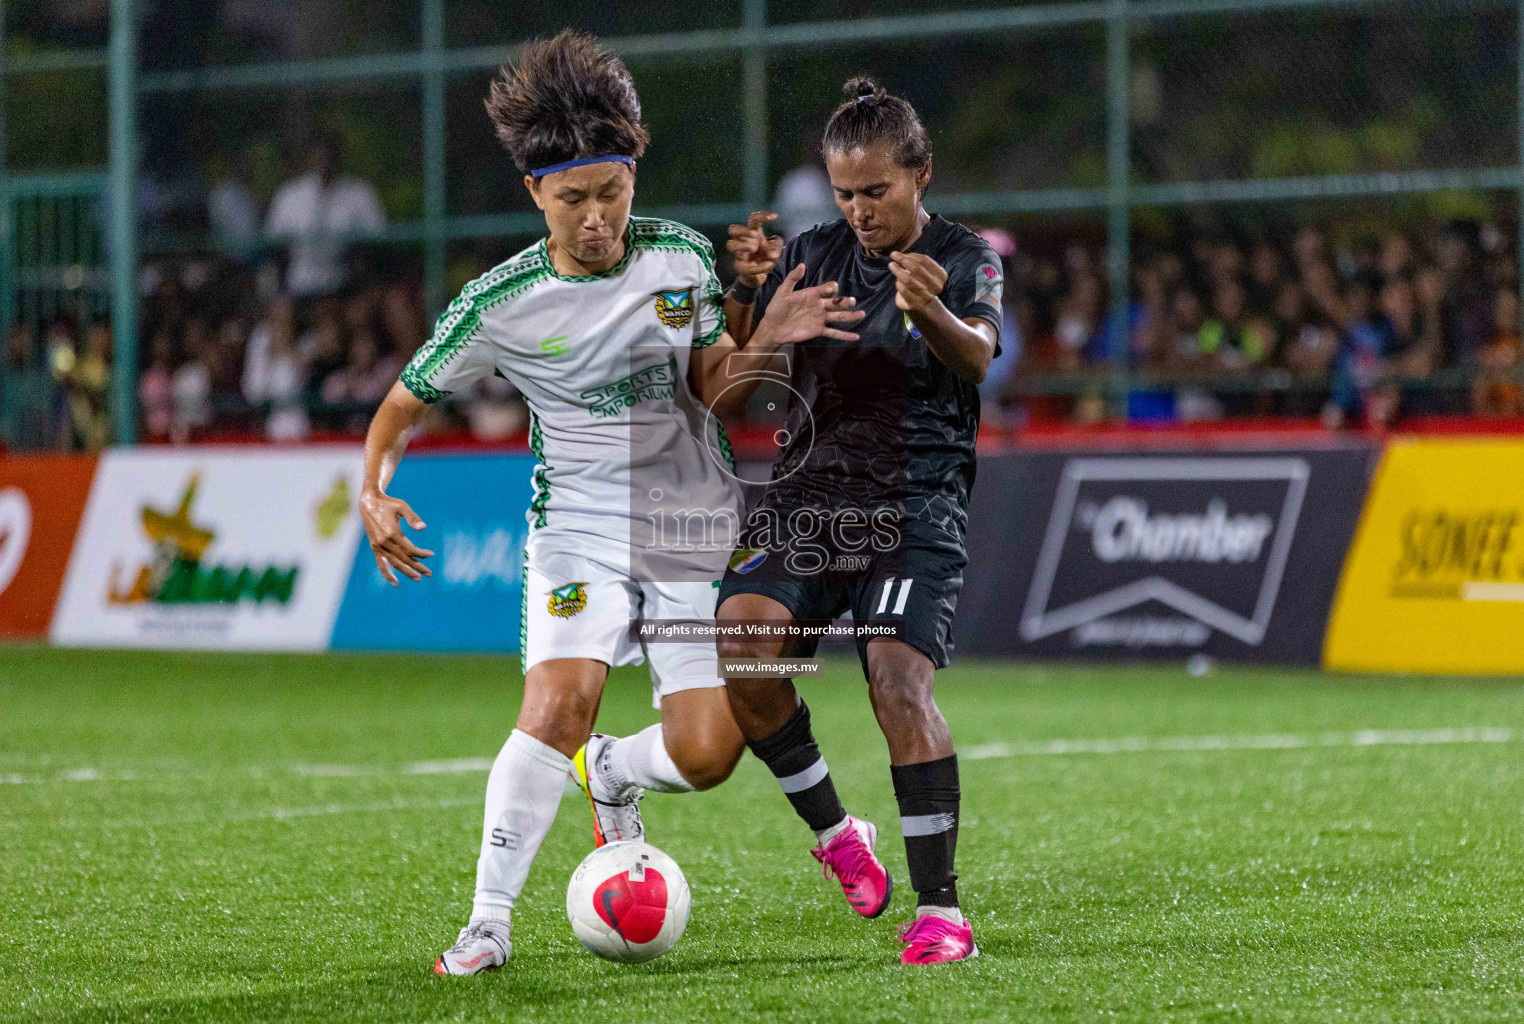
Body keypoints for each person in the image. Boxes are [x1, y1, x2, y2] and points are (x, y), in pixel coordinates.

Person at [356, 31, 863, 977]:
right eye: (574, 199)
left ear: (633, 175)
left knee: (709, 754)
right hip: (577, 526)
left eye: (613, 191)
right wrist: (373, 489)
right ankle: (489, 921)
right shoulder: (497, 303)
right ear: (535, 195)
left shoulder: (675, 260)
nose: (598, 218)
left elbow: (718, 389)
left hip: (687, 523)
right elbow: (401, 405)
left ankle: (615, 771)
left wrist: (769, 335)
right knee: (559, 703)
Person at [716, 78, 1003, 966]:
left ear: (921, 173)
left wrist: (933, 311)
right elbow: (737, 380)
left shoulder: (964, 259)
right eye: (845, 193)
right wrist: (752, 298)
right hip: (811, 496)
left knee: (895, 684)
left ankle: (942, 911)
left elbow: (980, 357)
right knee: (743, 648)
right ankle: (838, 833)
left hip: (915, 500)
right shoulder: (810, 253)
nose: (859, 209)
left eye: (876, 190)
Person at [265, 137, 386, 299]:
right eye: (318, 157)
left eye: (328, 157)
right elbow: (272, 242)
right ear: (309, 158)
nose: (324, 163)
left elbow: (377, 238)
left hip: (344, 283)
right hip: (297, 284)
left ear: (338, 158)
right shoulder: (289, 195)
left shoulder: (358, 191)